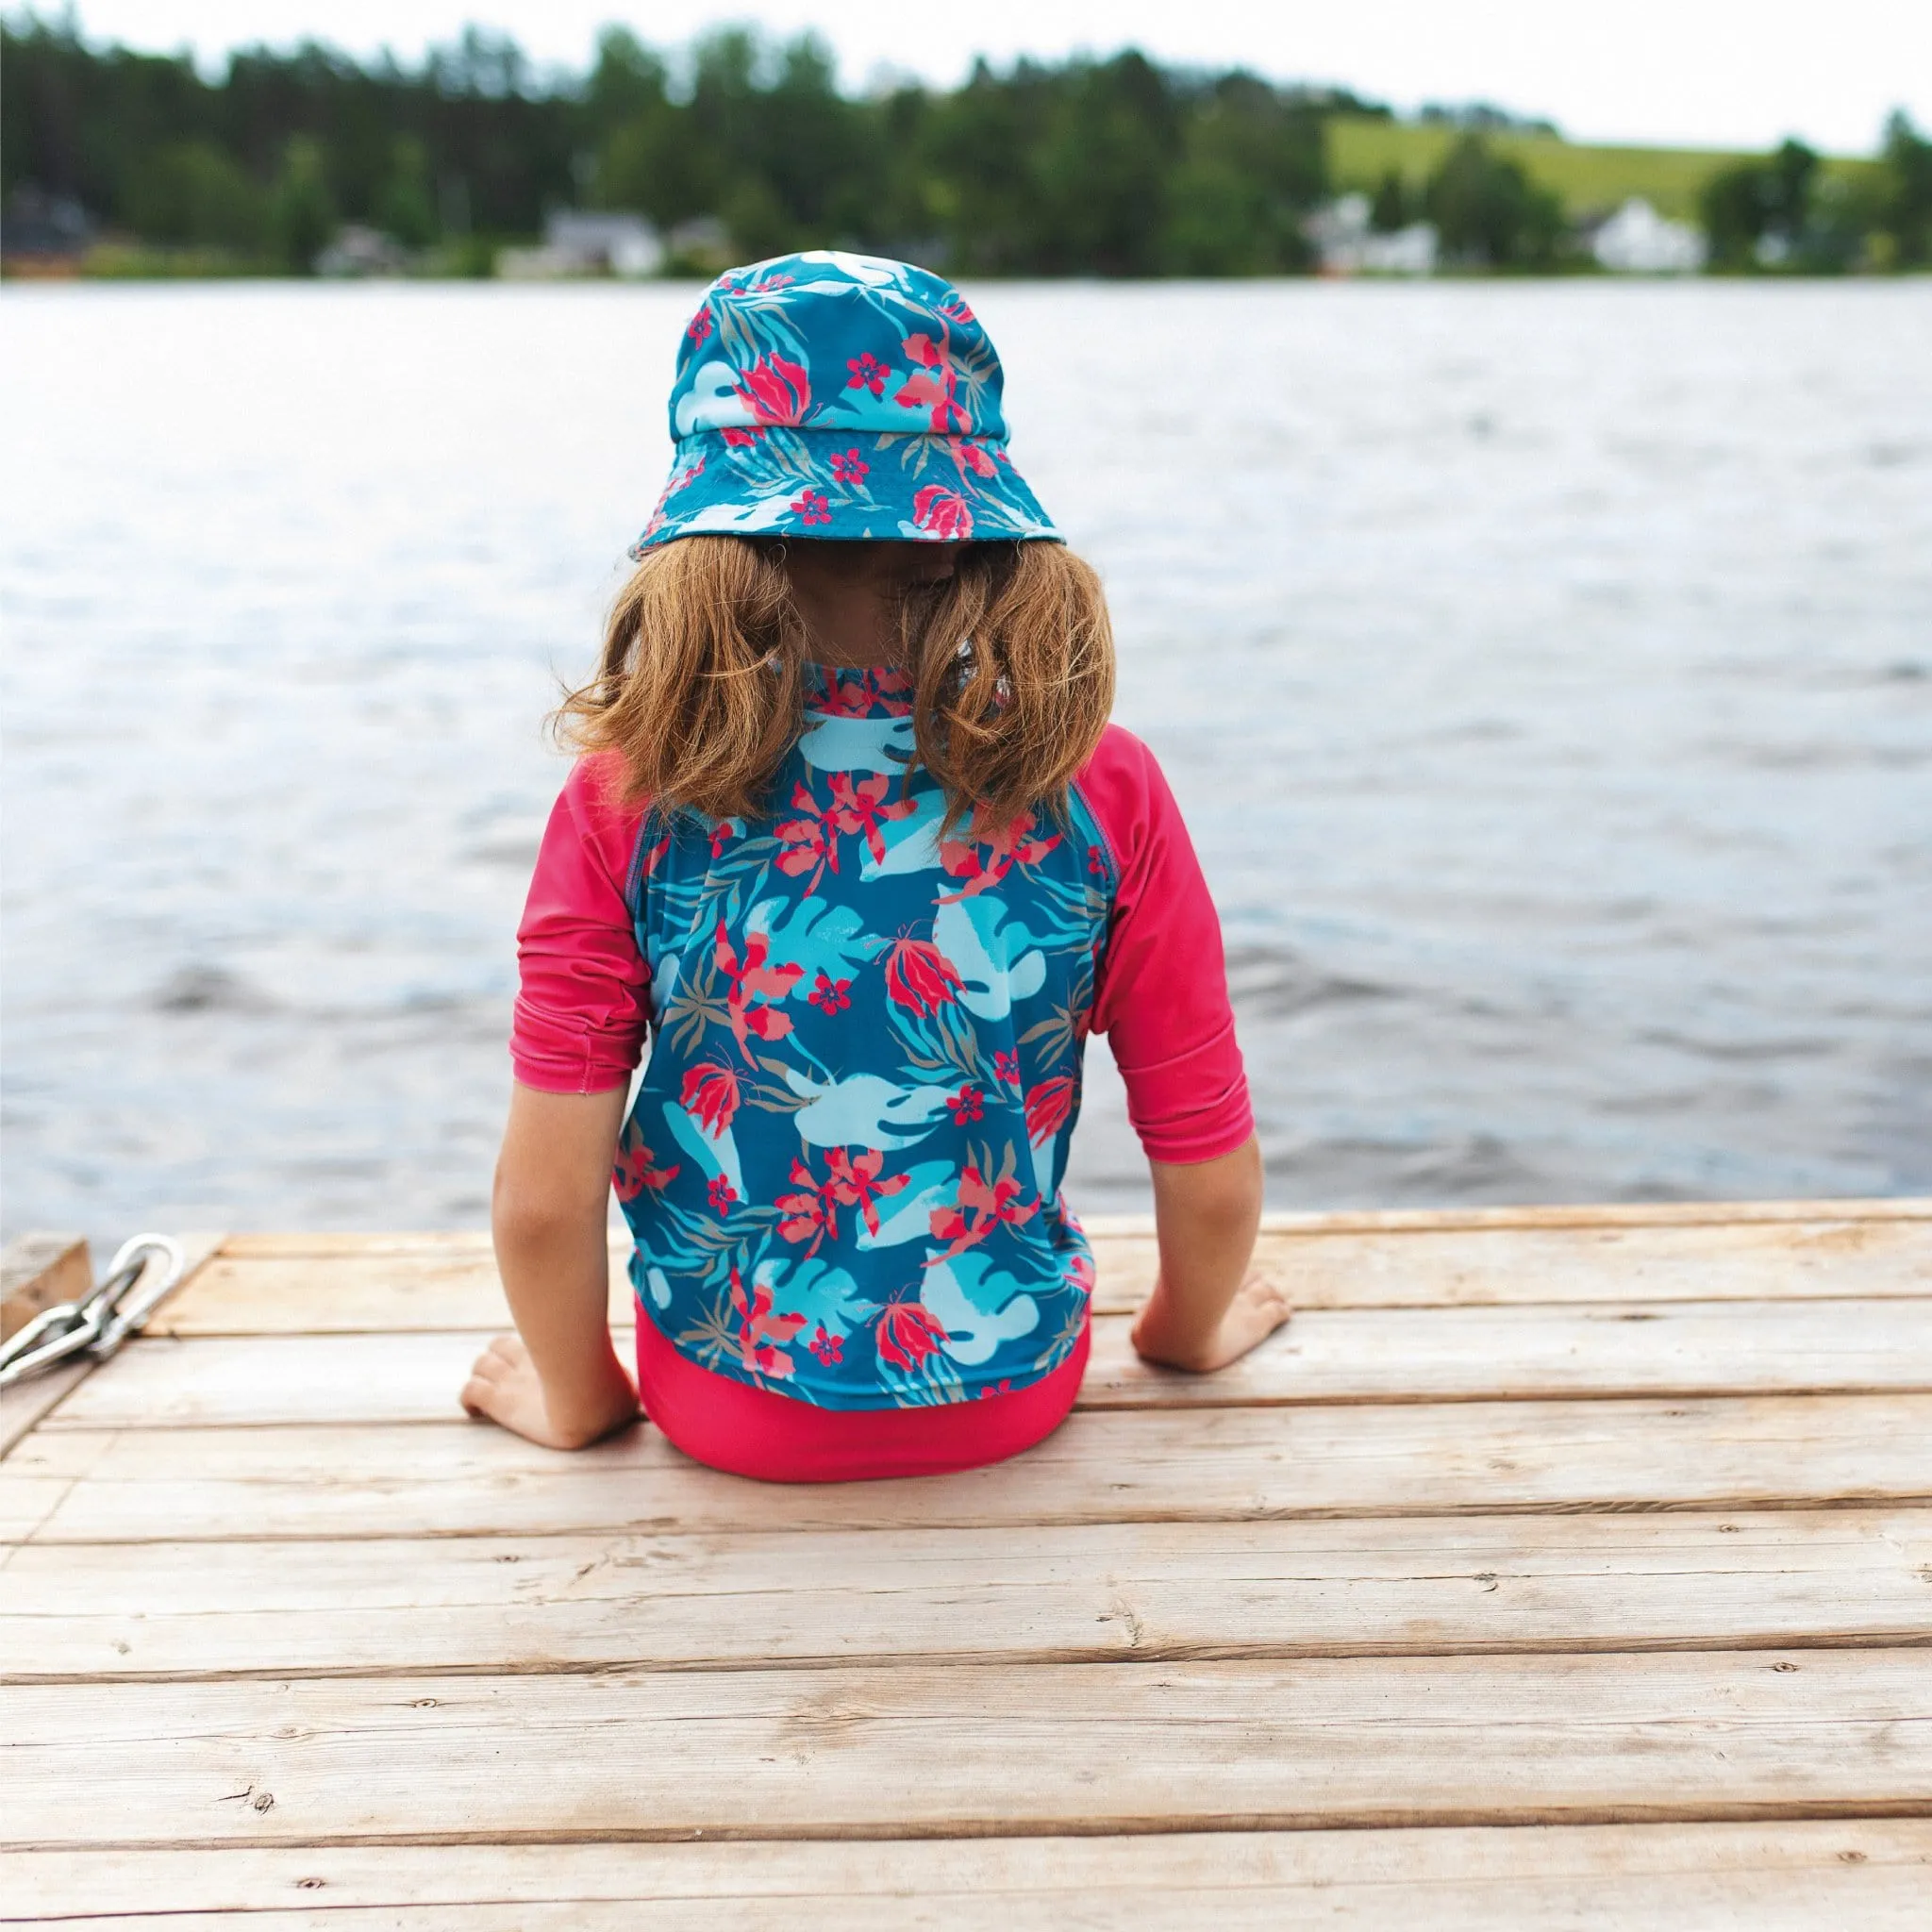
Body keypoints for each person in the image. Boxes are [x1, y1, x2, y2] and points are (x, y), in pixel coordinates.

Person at [462, 252, 1286, 1481]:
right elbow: (1209, 1168)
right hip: (1011, 1402)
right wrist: (1184, 1334)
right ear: (972, 534)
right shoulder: (1102, 784)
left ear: (712, 526)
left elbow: (544, 1202)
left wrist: (578, 1400)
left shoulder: (627, 796)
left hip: (726, 1410)